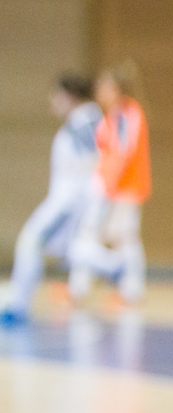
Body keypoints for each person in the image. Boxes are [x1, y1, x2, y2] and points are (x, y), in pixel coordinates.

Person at [0, 75, 101, 328]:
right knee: (67, 251)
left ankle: (119, 269)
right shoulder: (79, 122)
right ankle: (18, 303)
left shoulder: (85, 122)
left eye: (57, 95)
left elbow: (99, 159)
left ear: (70, 96)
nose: (53, 101)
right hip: (67, 199)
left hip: (70, 201)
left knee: (32, 240)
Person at [69, 62, 151, 307]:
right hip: (112, 189)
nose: (99, 91)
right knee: (101, 236)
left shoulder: (128, 115)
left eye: (105, 87)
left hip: (124, 189)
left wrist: (106, 186)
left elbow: (123, 154)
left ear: (118, 90)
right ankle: (81, 290)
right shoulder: (113, 117)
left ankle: (131, 291)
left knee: (124, 238)